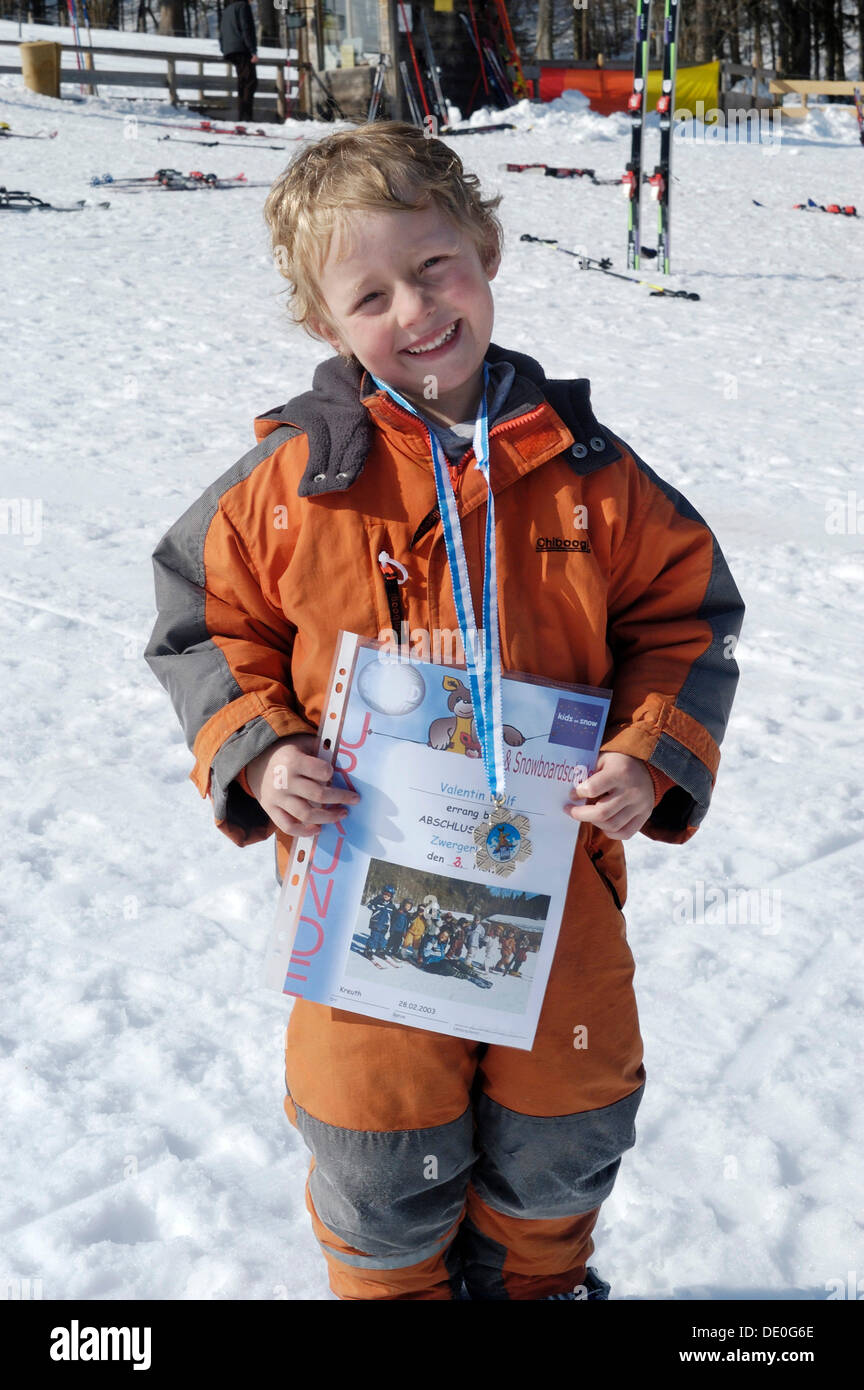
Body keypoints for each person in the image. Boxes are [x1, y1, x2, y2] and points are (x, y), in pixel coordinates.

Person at [144, 121, 744, 1300]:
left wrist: (647, 753)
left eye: (435, 266)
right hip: (364, 885)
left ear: (486, 248)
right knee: (375, 1137)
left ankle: (537, 1284)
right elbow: (205, 621)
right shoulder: (291, 484)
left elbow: (685, 620)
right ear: (325, 324)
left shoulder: (591, 474)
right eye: (370, 293)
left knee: (564, 1124)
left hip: (551, 881)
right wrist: (260, 751)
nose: (416, 309)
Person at [219, 0, 258, 124]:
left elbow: (221, 33)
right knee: (250, 82)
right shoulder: (243, 6)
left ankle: (242, 115)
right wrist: (253, 50)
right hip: (242, 49)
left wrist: (224, 48)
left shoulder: (228, 9)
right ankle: (246, 116)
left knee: (242, 81)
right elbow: (246, 28)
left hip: (230, 49)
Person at [364, 884, 394, 960]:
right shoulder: (377, 900)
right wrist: (373, 905)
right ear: (382, 893)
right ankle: (368, 949)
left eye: (389, 895)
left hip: (385, 925)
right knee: (374, 937)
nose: (386, 896)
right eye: (385, 894)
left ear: (391, 896)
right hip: (376, 923)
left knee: (382, 939)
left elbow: (395, 914)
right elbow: (369, 905)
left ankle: (379, 950)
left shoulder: (391, 906)